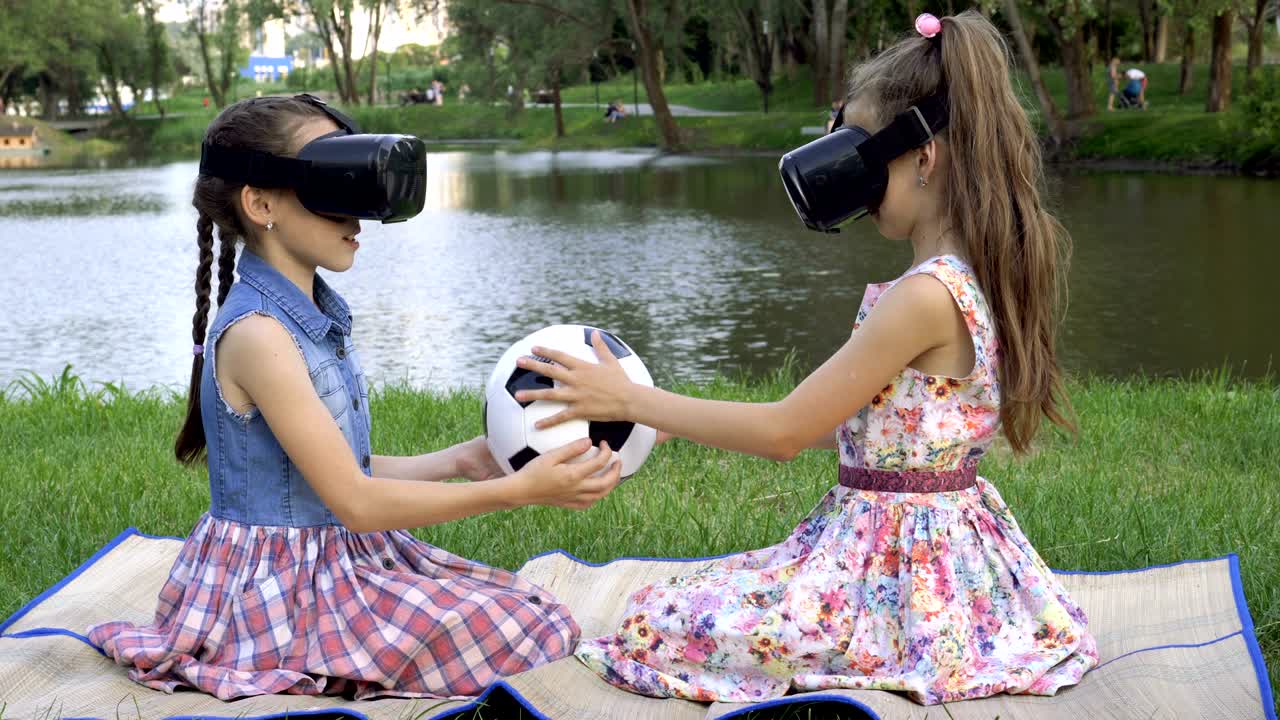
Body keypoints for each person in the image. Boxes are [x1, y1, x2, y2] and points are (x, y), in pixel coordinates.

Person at [516, 11, 1097, 706]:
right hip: (938, 554)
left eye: (857, 149)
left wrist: (629, 399)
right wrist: (675, 421)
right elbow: (858, 425)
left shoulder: (922, 298)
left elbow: (785, 432)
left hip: (894, 574)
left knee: (655, 620)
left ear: (923, 157)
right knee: (690, 598)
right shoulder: (966, 275)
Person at [85, 94, 621, 700]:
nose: (355, 218)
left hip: (335, 555)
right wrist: (518, 491)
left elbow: (324, 477)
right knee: (529, 631)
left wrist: (458, 462)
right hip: (279, 588)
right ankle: (299, 657)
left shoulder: (310, 315)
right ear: (261, 204)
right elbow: (357, 502)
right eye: (329, 188)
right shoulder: (260, 334)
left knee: (529, 608)